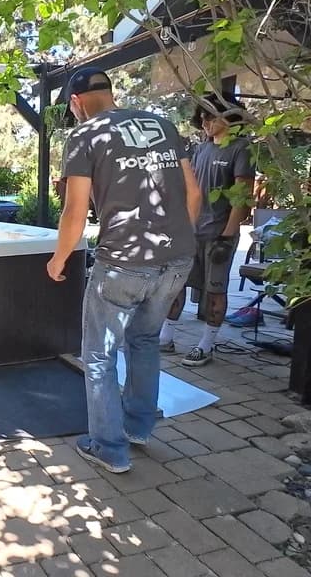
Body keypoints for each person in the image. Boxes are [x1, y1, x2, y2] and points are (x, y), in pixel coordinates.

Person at [46, 67, 201, 473]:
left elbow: (75, 211)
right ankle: (138, 428)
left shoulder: (84, 135)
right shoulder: (163, 125)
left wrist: (60, 258)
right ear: (110, 93)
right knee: (145, 341)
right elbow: (194, 192)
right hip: (177, 259)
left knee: (98, 355)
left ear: (76, 103)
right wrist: (178, 240)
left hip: (123, 264)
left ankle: (109, 448)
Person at [159, 93, 256, 366]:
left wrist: (227, 236)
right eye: (202, 117)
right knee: (175, 284)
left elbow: (243, 196)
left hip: (218, 234)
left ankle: (206, 344)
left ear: (229, 115)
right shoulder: (200, 149)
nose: (205, 122)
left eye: (210, 116)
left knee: (215, 290)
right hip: (191, 232)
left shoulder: (241, 148)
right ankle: (166, 337)